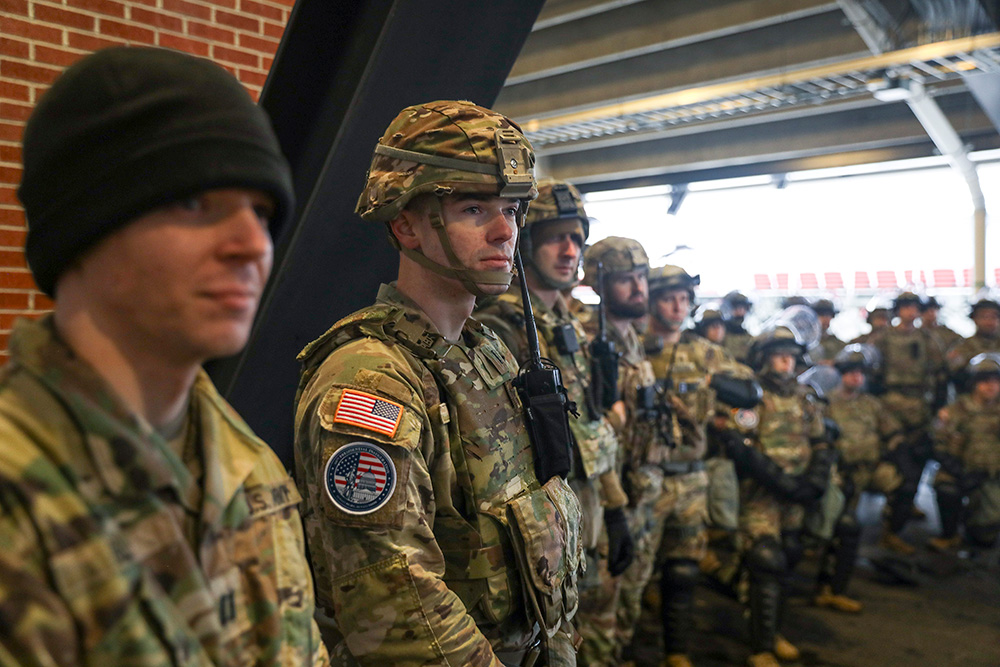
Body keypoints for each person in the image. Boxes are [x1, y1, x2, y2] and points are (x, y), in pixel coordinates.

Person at [1, 46, 327, 665]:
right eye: (195, 203)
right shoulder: (20, 499)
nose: (252, 245)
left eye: (260, 212)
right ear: (84, 224)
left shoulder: (249, 468)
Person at [293, 101, 582, 667]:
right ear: (405, 225)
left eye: (512, 210)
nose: (506, 232)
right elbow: (394, 600)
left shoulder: (483, 352)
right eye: (474, 210)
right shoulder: (373, 380)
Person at [474, 179, 633, 666]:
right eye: (555, 237)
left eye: (577, 239)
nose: (569, 250)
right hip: (544, 519)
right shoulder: (503, 323)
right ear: (527, 241)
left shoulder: (569, 323)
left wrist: (615, 503)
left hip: (585, 501)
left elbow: (588, 420)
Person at [642, 265, 755, 667]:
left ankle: (676, 652)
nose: (678, 306)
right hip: (643, 478)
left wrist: (711, 382)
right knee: (631, 572)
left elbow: (749, 391)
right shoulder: (633, 345)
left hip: (690, 476)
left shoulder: (703, 351)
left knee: (683, 570)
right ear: (653, 299)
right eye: (670, 298)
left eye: (685, 299)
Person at [574, 237, 655, 666]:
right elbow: (588, 429)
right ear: (599, 284)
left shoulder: (633, 339)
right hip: (604, 497)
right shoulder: (586, 341)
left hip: (638, 487)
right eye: (626, 280)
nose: (639, 288)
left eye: (641, 277)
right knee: (598, 613)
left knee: (628, 602)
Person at [739, 325, 826, 667]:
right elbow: (741, 446)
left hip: (796, 494)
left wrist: (814, 480)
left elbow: (821, 441)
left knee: (789, 557)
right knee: (765, 559)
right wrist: (774, 478)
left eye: (790, 355)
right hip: (761, 493)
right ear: (764, 358)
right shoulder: (752, 395)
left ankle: (775, 632)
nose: (786, 361)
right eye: (778, 354)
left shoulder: (806, 396)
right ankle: (760, 647)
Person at [817, 345, 904, 613]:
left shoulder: (871, 404)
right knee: (835, 528)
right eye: (851, 373)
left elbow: (894, 433)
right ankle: (825, 585)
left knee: (901, 486)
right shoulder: (827, 403)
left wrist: (890, 455)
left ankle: (890, 533)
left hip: (869, 468)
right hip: (840, 473)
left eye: (860, 374)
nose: (856, 378)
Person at [868, 291, 947, 554]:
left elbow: (939, 373)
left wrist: (937, 408)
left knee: (917, 461)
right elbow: (871, 374)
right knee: (894, 462)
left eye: (914, 308)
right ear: (898, 310)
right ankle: (891, 516)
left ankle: (899, 516)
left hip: (919, 408)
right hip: (890, 407)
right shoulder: (883, 339)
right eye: (906, 307)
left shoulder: (927, 338)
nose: (911, 312)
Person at [930, 353, 1000, 551]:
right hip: (961, 470)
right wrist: (959, 471)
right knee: (946, 489)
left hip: (992, 475)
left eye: (996, 381)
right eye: (985, 381)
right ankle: (949, 534)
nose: (991, 386)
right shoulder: (955, 410)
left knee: (984, 536)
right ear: (974, 383)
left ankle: (976, 522)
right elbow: (938, 444)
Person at [947, 292, 1000, 392]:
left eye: (994, 317)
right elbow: (956, 377)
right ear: (975, 319)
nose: (989, 322)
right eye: (984, 317)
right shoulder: (963, 346)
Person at [722, 291, 754, 363]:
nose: (740, 311)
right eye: (736, 307)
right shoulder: (720, 334)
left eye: (743, 308)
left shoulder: (747, 337)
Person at [810, 299, 845, 365]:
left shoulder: (838, 344)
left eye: (829, 315)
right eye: (822, 314)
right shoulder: (806, 342)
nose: (826, 319)